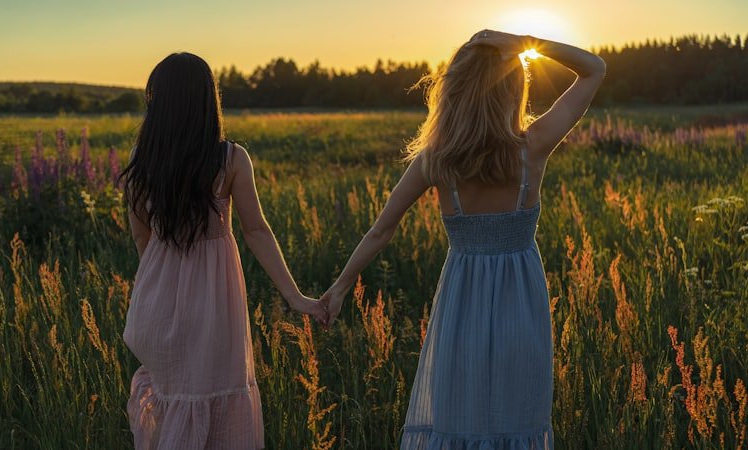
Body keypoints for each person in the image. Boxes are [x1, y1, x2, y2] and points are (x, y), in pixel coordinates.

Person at [320, 30, 606, 449]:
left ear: (452, 93)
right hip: (522, 309)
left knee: (461, 421)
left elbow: (382, 229)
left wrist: (339, 289)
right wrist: (526, 42)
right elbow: (594, 69)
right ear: (513, 89)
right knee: (516, 423)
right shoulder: (533, 149)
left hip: (460, 308)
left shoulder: (436, 161)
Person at [120, 52, 328, 450]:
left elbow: (141, 238)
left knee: (175, 398)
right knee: (213, 399)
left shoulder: (141, 161)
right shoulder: (230, 158)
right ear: (206, 101)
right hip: (214, 306)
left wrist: (162, 287)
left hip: (156, 301)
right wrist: (295, 296)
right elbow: (256, 231)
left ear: (157, 103)